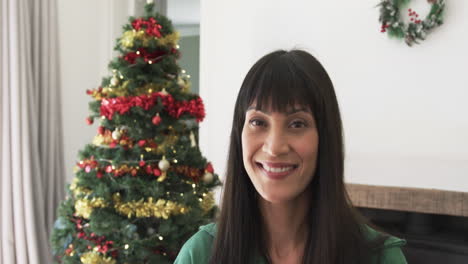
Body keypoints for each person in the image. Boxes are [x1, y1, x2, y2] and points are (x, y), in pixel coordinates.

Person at [174, 49, 407, 264]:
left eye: (297, 124)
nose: (274, 148)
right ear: (239, 134)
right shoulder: (200, 255)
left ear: (325, 138)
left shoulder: (380, 258)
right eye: (258, 122)